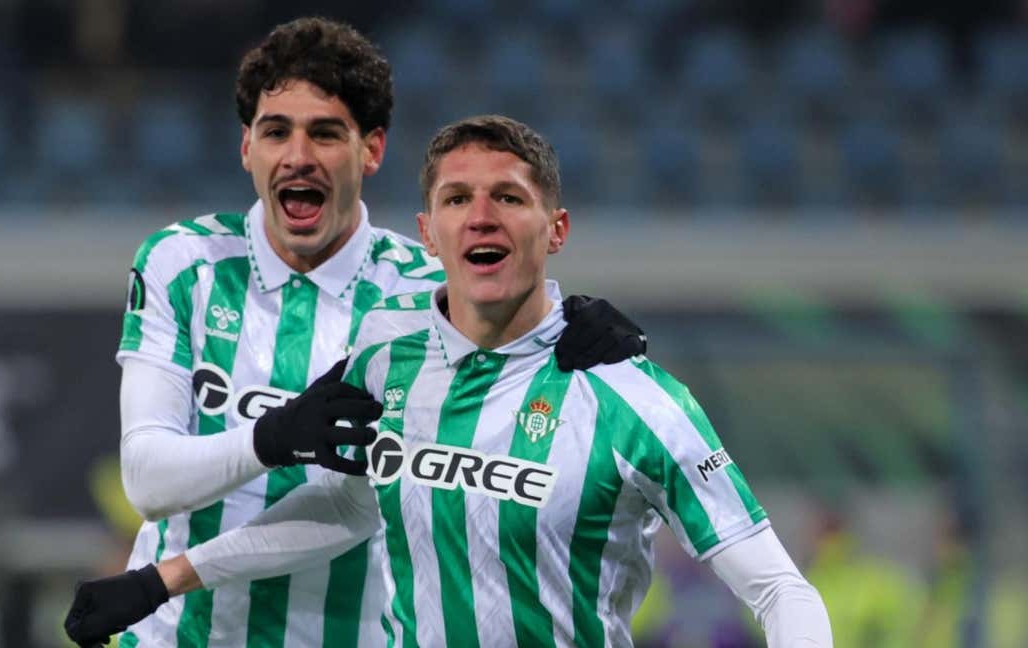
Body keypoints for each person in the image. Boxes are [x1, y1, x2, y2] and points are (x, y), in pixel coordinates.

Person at [67, 115, 832, 646]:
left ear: (555, 229)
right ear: (428, 233)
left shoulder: (635, 399)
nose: (482, 218)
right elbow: (344, 506)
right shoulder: (385, 368)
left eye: (509, 197)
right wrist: (160, 581)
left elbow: (780, 591)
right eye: (457, 200)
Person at [68, 18, 647, 648]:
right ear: (247, 148)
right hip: (172, 637)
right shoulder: (182, 264)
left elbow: (359, 508)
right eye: (276, 131)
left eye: (324, 133)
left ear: (371, 150)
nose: (298, 155)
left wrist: (581, 336)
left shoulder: (429, 297)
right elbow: (149, 483)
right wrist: (273, 437)